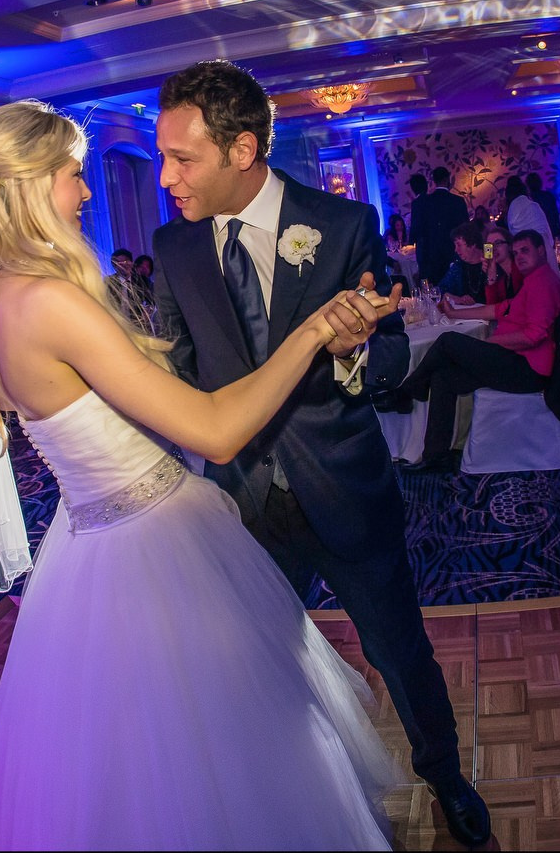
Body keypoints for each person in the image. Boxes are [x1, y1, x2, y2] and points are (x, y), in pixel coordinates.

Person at [0, 99, 402, 851]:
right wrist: (315, 330)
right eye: (73, 177)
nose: (86, 195)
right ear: (24, 184)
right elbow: (214, 431)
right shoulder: (47, 301)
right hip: (150, 540)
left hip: (91, 540)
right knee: (228, 757)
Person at [148, 60, 491, 847]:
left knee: (400, 654)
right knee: (255, 668)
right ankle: (289, 796)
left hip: (344, 489)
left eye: (182, 158)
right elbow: (179, 368)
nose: (166, 177)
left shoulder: (341, 227)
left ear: (242, 151)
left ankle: (445, 776)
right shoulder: (174, 247)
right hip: (239, 508)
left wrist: (354, 354)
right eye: (162, 157)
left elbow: (399, 358)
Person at [395, 230, 560, 469]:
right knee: (443, 377)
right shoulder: (534, 280)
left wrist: (487, 344)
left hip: (529, 369)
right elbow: (497, 309)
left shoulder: (542, 283)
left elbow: (534, 335)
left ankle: (406, 392)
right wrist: (455, 313)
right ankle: (436, 456)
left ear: (542, 251)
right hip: (518, 360)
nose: (519, 257)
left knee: (448, 341)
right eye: (516, 252)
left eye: (525, 250)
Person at [409, 167, 471, 288]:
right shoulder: (457, 201)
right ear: (447, 179)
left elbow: (417, 230)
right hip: (452, 253)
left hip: (430, 256)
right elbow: (465, 230)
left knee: (432, 293)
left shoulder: (423, 202)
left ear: (433, 181)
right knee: (454, 289)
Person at [504, 176, 554, 264]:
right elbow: (545, 228)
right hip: (543, 247)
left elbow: (512, 231)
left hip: (523, 251)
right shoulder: (533, 206)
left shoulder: (512, 209)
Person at [436, 221, 487, 306]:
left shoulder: (489, 262)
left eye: (459, 245)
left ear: (472, 244)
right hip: (465, 315)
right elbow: (439, 290)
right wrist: (455, 298)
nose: (456, 250)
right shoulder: (458, 267)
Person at [103, 247, 153, 334]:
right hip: (117, 326)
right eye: (119, 263)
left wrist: (149, 311)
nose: (123, 265)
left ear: (132, 263)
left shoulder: (142, 280)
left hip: (138, 326)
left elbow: (152, 301)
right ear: (114, 266)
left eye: (126, 261)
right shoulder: (109, 282)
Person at [525, 170, 560, 239]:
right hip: (551, 229)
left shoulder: (528, 200)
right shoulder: (548, 195)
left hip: (537, 231)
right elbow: (556, 215)